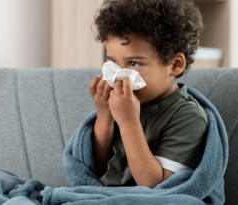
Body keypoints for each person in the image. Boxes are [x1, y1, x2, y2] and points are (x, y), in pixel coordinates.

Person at [89, 0, 207, 188]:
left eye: (133, 63)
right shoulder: (123, 103)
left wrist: (128, 123)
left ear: (175, 65)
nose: (119, 76)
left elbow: (157, 187)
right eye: (113, 63)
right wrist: (105, 117)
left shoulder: (188, 116)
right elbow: (95, 170)